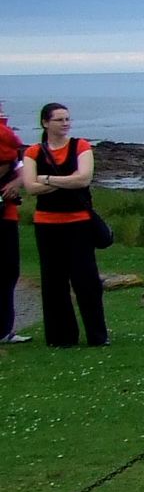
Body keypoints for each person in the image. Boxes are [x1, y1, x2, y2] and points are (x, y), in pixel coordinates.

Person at [17, 103, 108, 349]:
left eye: (67, 119)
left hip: (79, 223)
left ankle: (98, 336)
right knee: (53, 282)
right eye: (59, 120)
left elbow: (84, 178)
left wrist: (47, 178)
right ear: (46, 123)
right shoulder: (34, 151)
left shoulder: (81, 146)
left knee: (86, 280)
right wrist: (66, 181)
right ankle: (61, 338)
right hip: (47, 224)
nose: (65, 123)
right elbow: (31, 187)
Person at [0, 101, 26, 343]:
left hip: (6, 213)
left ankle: (5, 330)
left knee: (8, 271)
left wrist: (15, 184)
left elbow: (21, 170)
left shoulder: (8, 140)